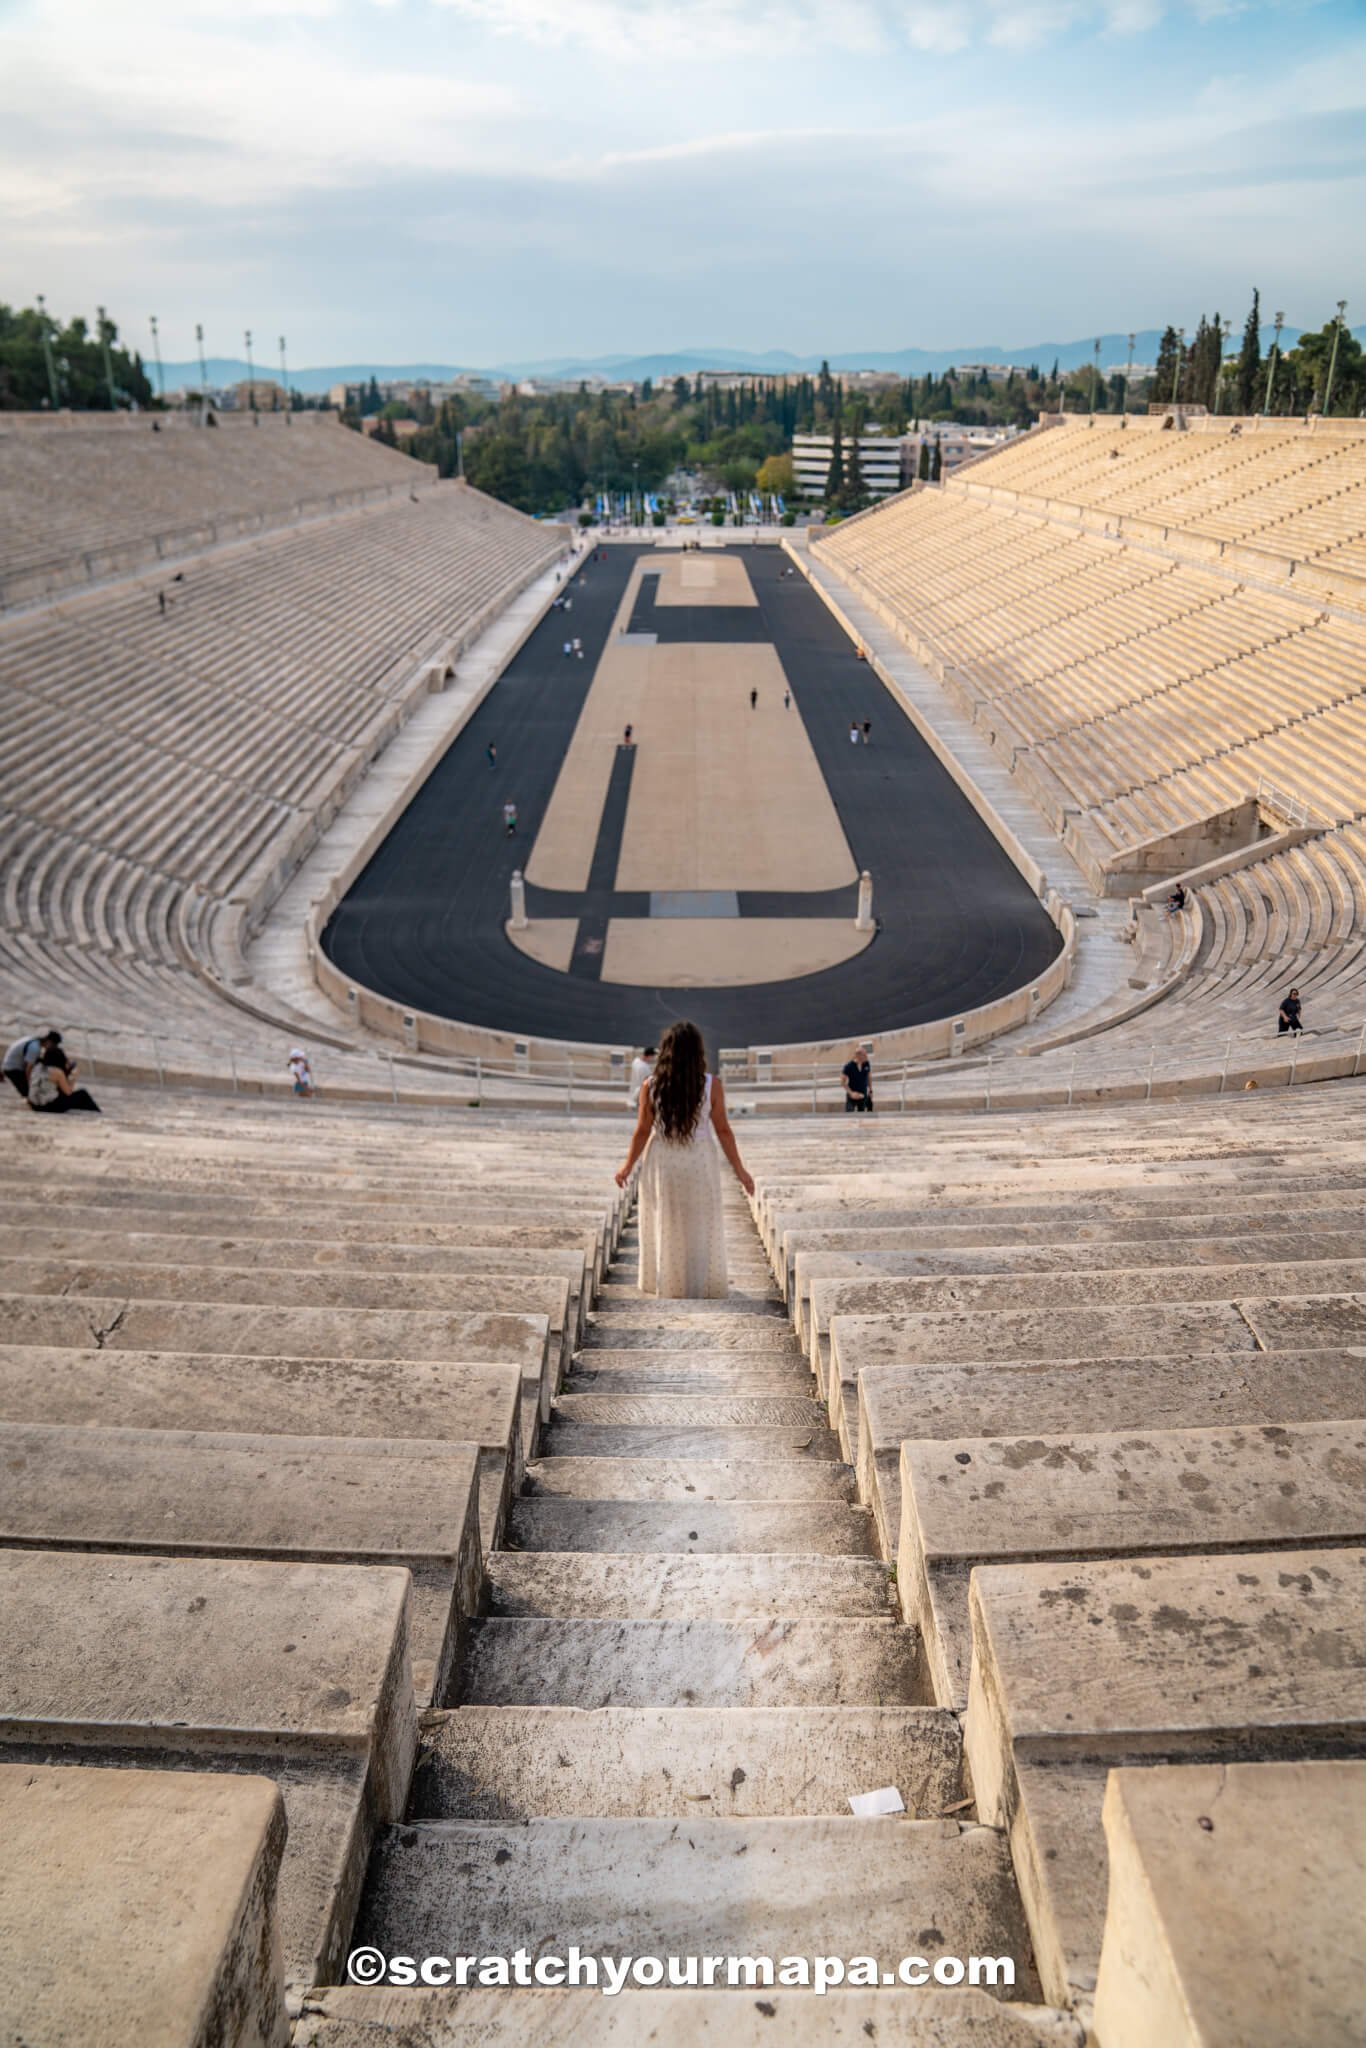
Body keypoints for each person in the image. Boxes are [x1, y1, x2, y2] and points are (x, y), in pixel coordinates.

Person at [616, 1020, 753, 1298]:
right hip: (699, 1158)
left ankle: (668, 1282)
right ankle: (698, 1283)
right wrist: (740, 1171)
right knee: (699, 1220)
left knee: (666, 1219)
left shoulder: (650, 1086)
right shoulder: (711, 1085)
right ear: (698, 1052)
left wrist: (627, 1166)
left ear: (666, 1051)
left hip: (663, 1159)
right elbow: (723, 1130)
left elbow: (642, 1130)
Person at [28, 1041, 99, 1114]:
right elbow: (68, 1092)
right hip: (48, 1107)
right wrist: (74, 1077)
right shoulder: (57, 1072)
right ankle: (97, 1113)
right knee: (83, 1094)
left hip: (34, 1104)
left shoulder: (38, 1067)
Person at [4, 1028, 58, 1099]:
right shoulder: (35, 1048)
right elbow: (28, 1069)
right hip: (12, 1069)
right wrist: (30, 1084)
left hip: (9, 1065)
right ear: (49, 1041)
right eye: (53, 1045)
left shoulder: (33, 1040)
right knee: (29, 1093)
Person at [842, 1043, 873, 1113]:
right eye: (864, 1055)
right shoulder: (849, 1066)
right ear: (858, 1056)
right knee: (849, 1114)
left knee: (862, 1114)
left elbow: (869, 1077)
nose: (866, 1056)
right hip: (852, 1095)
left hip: (863, 1094)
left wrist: (870, 1090)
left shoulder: (866, 1063)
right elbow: (842, 1082)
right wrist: (851, 1093)